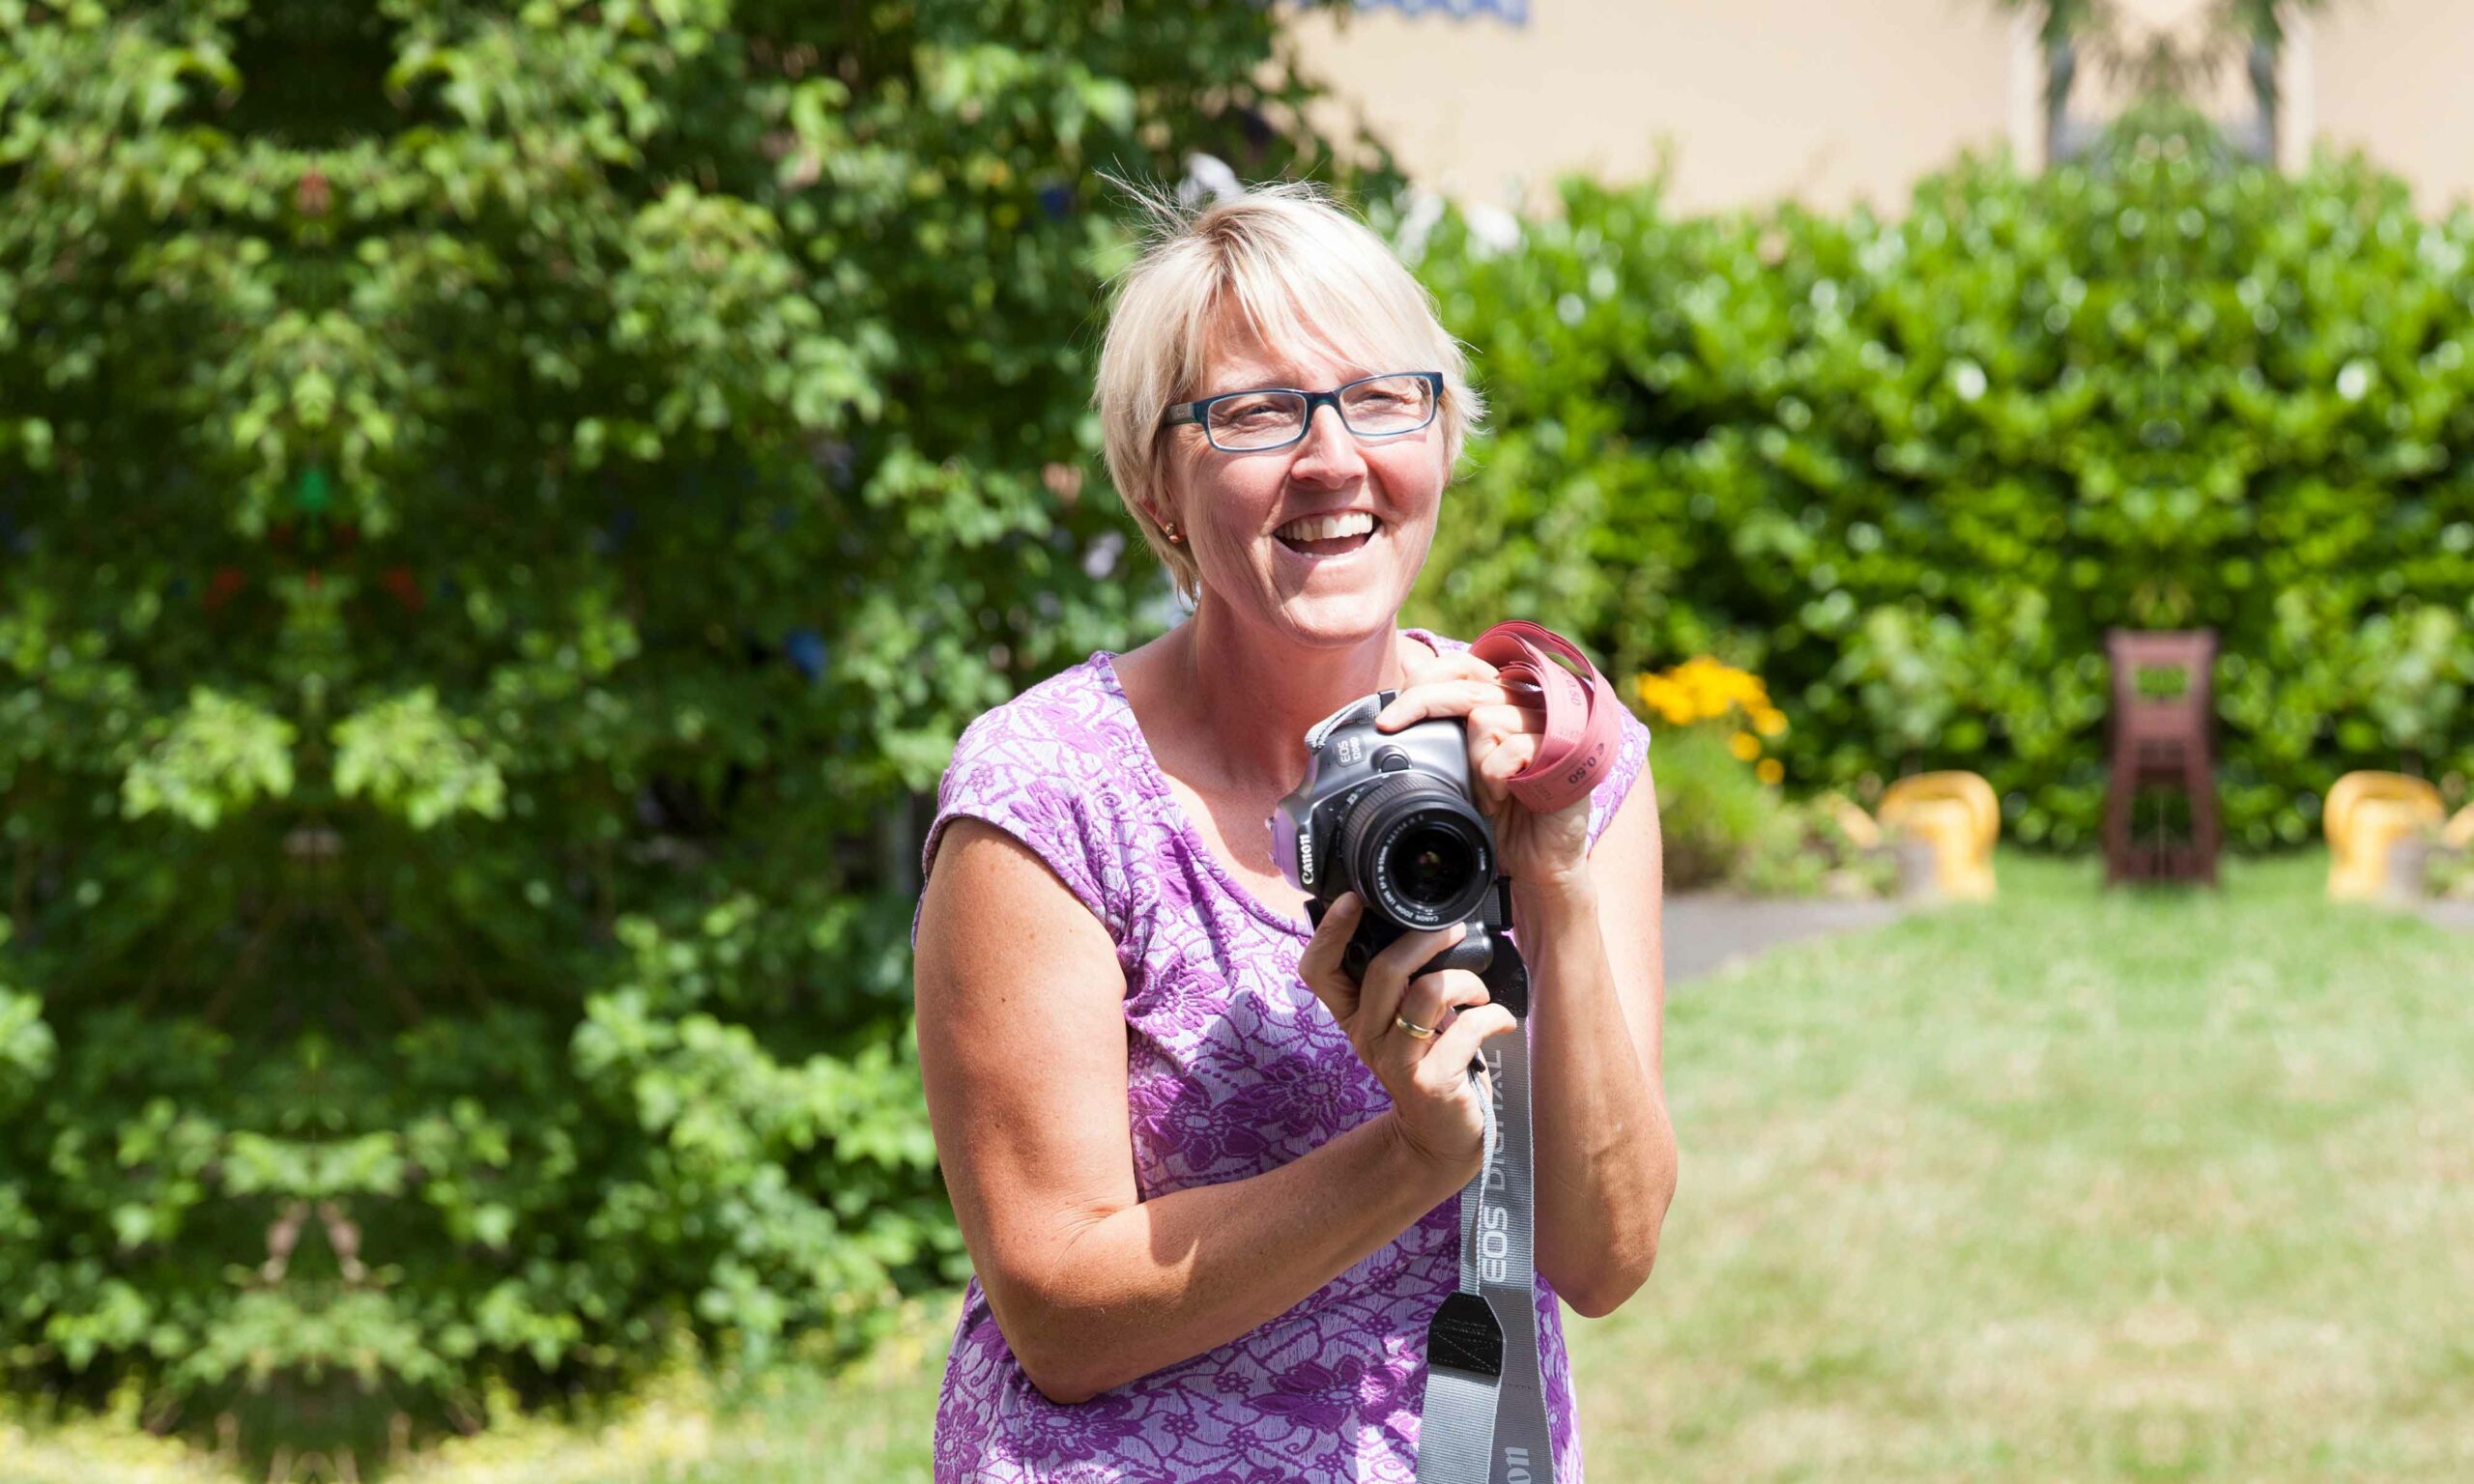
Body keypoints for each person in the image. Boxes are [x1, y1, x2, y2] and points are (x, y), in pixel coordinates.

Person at [908, 178, 1676, 1483]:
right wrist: (1416, 1154)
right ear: (1160, 484)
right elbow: (1058, 1318)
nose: (1333, 458)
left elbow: (1605, 1256)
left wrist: (1545, 879)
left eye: (1384, 398)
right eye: (1258, 412)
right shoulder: (1055, 792)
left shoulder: (1553, 760)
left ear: (1440, 441)